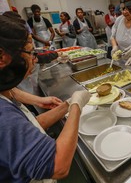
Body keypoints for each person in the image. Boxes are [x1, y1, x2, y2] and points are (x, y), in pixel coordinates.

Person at [0, 15, 91, 182]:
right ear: (2, 58)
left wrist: (67, 105)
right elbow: (58, 165)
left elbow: (31, 126)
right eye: (30, 52)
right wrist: (76, 106)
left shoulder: (5, 95)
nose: (34, 60)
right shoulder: (3, 115)